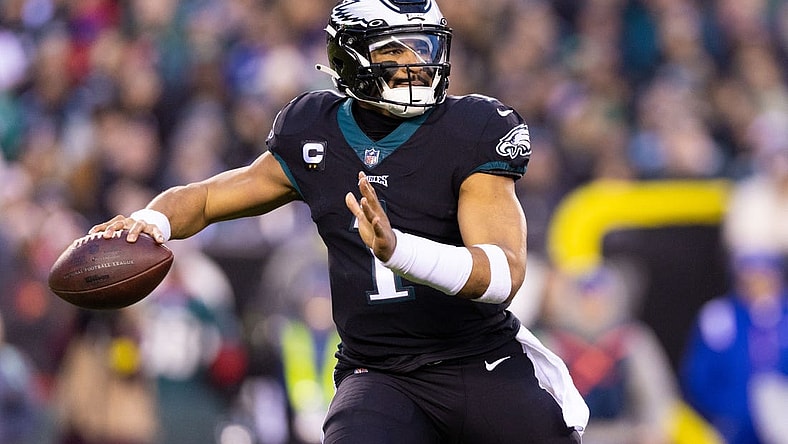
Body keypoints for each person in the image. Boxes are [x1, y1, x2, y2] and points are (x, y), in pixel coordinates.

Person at [89, 0, 589, 442]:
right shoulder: (314, 131)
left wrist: (400, 251)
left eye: (424, 47)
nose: (417, 64)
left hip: (477, 361)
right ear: (349, 57)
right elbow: (206, 199)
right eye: (395, 51)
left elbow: (503, 275)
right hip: (381, 373)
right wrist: (151, 220)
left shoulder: (471, 129)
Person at [680, 251, 788, 444]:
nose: (759, 286)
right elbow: (698, 378)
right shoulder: (720, 317)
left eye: (765, 278)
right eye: (751, 279)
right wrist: (730, 412)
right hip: (734, 424)